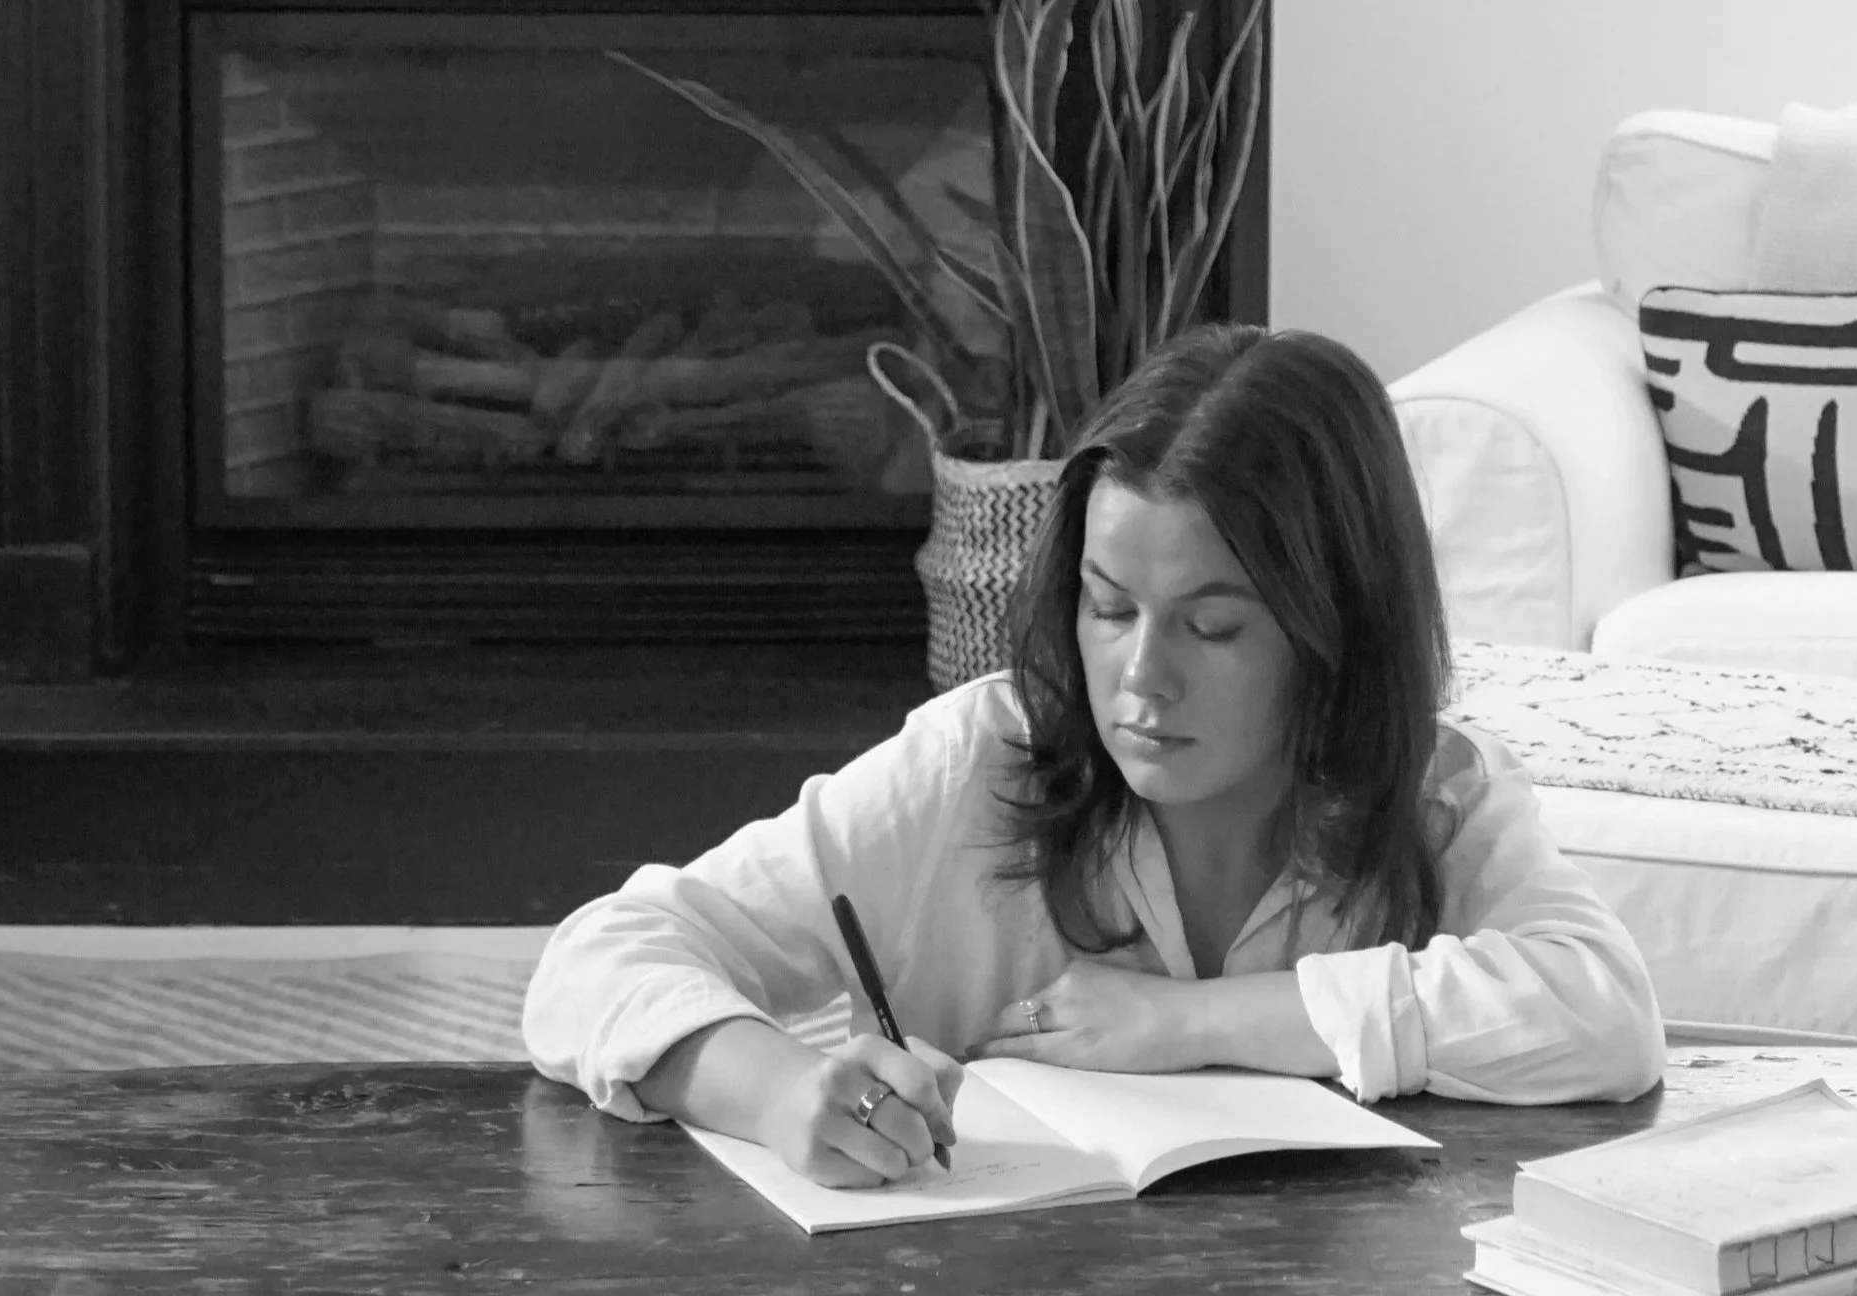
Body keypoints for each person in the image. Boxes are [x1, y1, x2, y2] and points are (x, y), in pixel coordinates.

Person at [523, 324, 1666, 1185]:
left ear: (1336, 629)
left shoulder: (1436, 792)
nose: (1140, 678)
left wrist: (1196, 1022)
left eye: (1213, 627)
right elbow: (600, 957)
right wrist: (775, 1090)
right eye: (1110, 608)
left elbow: (1605, 1012)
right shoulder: (979, 761)